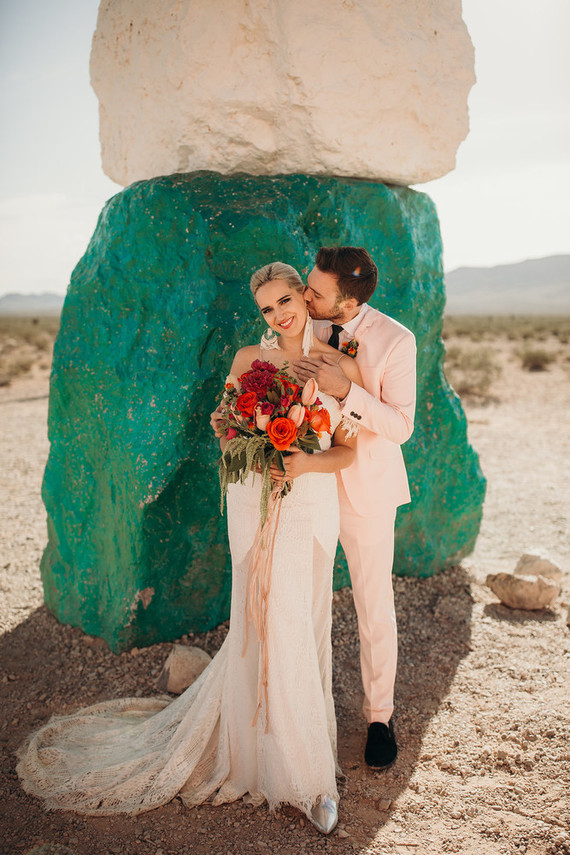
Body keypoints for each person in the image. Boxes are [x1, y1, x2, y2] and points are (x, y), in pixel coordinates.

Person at [17, 262, 362, 835]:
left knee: (304, 621)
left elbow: (348, 450)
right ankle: (297, 773)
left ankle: (305, 755)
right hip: (254, 497)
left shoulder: (338, 365)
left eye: (285, 301)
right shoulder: (247, 361)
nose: (278, 315)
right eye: (267, 308)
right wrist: (251, 441)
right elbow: (223, 428)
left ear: (305, 295)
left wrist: (303, 461)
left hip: (310, 502)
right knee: (262, 617)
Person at [292, 246, 416, 769]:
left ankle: (379, 718)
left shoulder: (396, 340)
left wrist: (346, 390)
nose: (304, 295)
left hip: (367, 491)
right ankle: (300, 710)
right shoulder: (303, 322)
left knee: (373, 604)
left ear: (346, 302)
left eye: (316, 292)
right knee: (302, 598)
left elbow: (401, 426)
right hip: (309, 484)